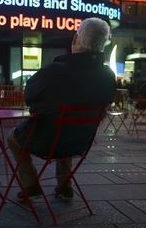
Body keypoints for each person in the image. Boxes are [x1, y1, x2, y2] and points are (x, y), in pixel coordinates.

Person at [7, 17, 116, 202]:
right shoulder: (108, 76)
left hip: (45, 141)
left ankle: (31, 186)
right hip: (80, 142)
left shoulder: (53, 71)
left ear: (75, 39)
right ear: (103, 45)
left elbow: (29, 96)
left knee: (13, 137)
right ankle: (65, 187)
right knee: (65, 128)